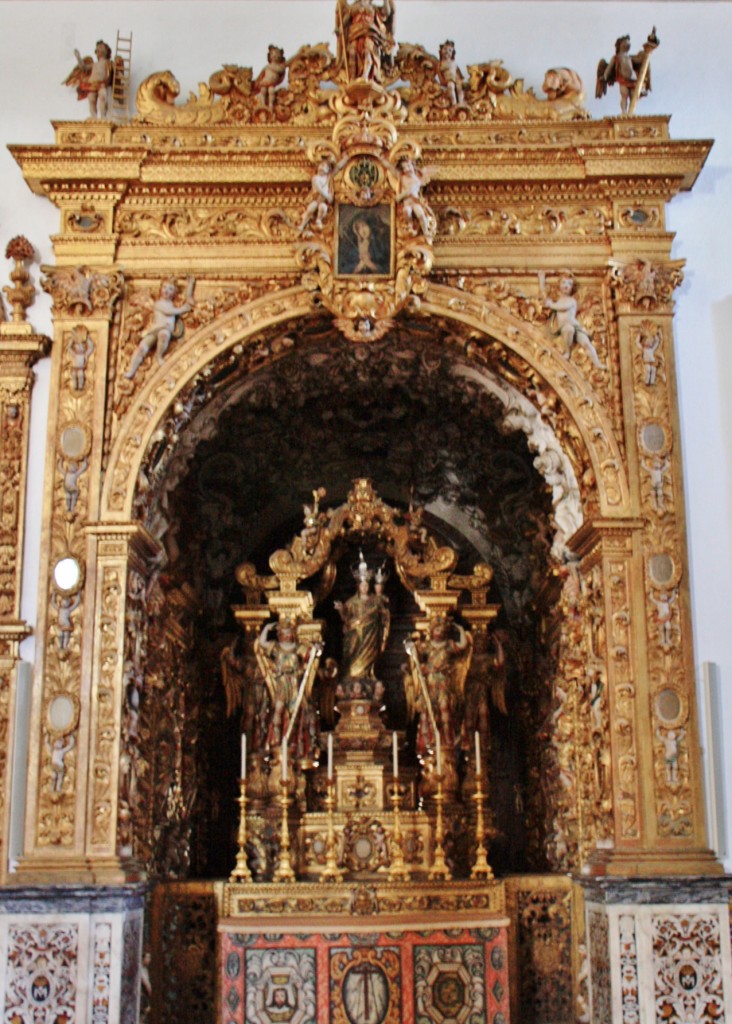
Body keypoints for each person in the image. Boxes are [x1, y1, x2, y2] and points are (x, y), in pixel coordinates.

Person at [335, 552, 390, 698]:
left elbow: (384, 615)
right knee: (353, 664)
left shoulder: (374, 601)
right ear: (358, 586)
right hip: (356, 636)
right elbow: (346, 618)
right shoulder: (352, 602)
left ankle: (367, 675)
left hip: (370, 636)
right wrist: (341, 609)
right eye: (362, 585)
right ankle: (353, 678)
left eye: (366, 585)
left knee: (369, 658)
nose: (364, 587)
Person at [124, 278, 195, 379]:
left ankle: (159, 356)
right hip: (156, 328)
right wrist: (182, 309)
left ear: (174, 293)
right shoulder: (159, 304)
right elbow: (169, 311)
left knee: (164, 335)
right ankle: (131, 370)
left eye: (170, 289)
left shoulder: (174, 305)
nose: (166, 291)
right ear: (160, 289)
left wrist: (190, 285)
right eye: (164, 287)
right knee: (142, 348)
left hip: (165, 329)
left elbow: (189, 301)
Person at [538, 272, 603, 369]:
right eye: (564, 283)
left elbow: (561, 307)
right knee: (568, 329)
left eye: (569, 284)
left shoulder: (571, 301)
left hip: (574, 325)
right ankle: (567, 351)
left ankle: (597, 363)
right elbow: (544, 297)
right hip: (565, 327)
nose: (566, 286)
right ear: (559, 285)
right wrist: (541, 281)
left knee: (586, 344)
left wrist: (551, 304)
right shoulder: (557, 300)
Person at [337, 0, 395, 84]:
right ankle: (353, 78)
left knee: (368, 52)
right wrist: (340, 28)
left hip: (370, 32)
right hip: (355, 33)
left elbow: (386, 12)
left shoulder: (374, 8)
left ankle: (365, 75)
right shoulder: (354, 7)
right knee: (352, 53)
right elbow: (347, 18)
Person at [65, 40, 114, 119]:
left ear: (107, 51)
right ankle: (93, 117)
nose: (99, 49)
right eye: (98, 48)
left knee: (103, 97)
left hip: (102, 84)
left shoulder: (108, 63)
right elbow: (83, 67)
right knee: (92, 100)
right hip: (91, 84)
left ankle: (103, 116)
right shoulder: (94, 64)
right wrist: (78, 57)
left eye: (102, 47)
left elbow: (115, 70)